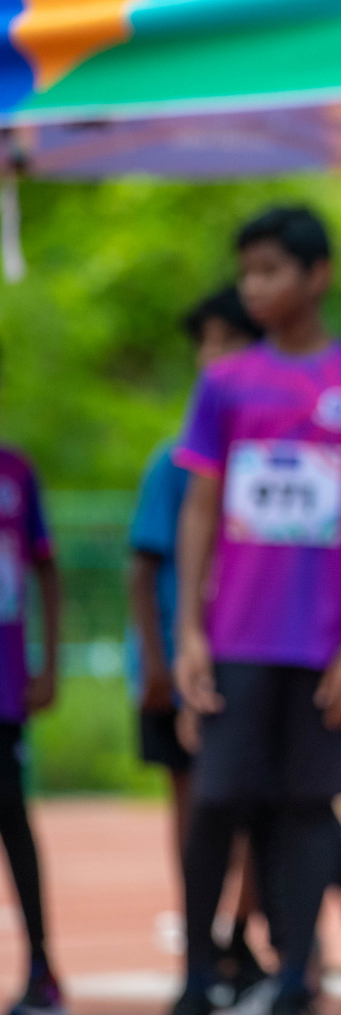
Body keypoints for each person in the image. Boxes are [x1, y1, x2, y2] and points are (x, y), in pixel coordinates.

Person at [172, 206, 341, 1015]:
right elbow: (201, 507)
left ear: (318, 276)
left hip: (323, 647)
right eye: (246, 272)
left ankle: (292, 979)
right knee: (216, 799)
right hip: (236, 636)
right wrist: (189, 632)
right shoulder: (225, 384)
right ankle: (200, 978)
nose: (254, 286)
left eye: (271, 269)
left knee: (310, 808)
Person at [127, 286, 264, 990]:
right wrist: (157, 660)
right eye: (203, 342)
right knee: (198, 813)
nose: (211, 355)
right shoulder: (174, 459)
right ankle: (201, 956)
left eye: (225, 339)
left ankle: (239, 938)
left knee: (251, 809)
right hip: (181, 664)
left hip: (246, 656)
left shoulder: (262, 453)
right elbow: (142, 566)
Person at [0, 435, 62, 1015]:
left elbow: (46, 567)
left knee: (11, 817)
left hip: (3, 687)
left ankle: (42, 967)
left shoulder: (16, 471)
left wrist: (49, 662)